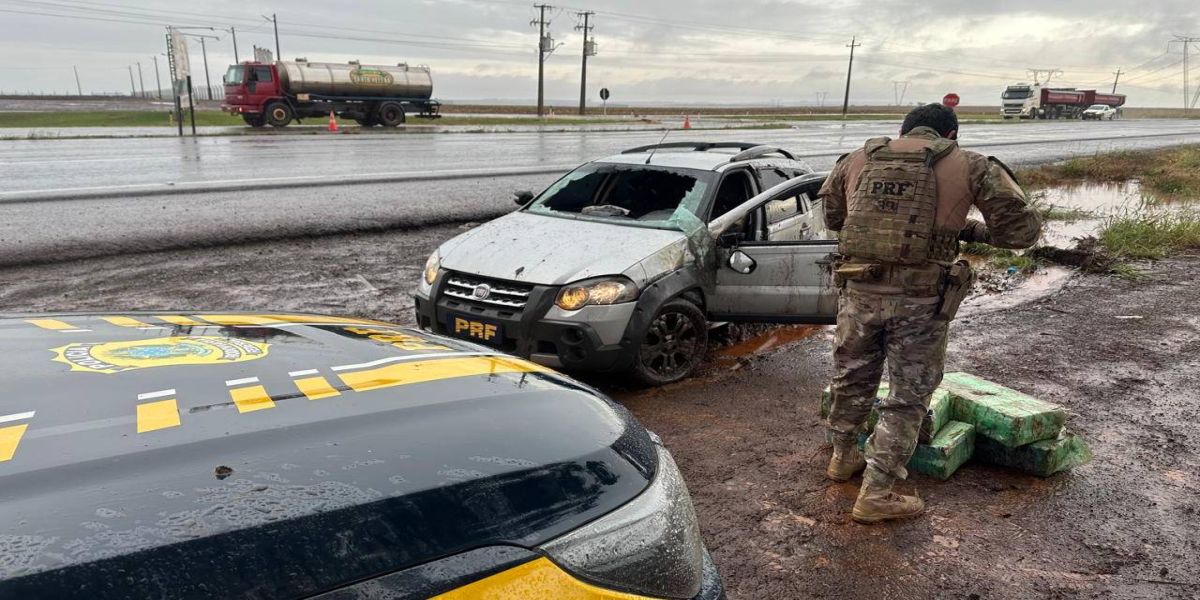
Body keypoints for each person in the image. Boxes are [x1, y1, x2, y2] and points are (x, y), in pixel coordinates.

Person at [817, 103, 1042, 524]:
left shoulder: (854, 160)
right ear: (950, 133)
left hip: (858, 293)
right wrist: (963, 229)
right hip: (920, 303)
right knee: (906, 398)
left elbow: (834, 218)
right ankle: (876, 493)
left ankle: (841, 458)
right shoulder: (971, 164)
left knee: (851, 377)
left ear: (903, 131)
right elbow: (1020, 234)